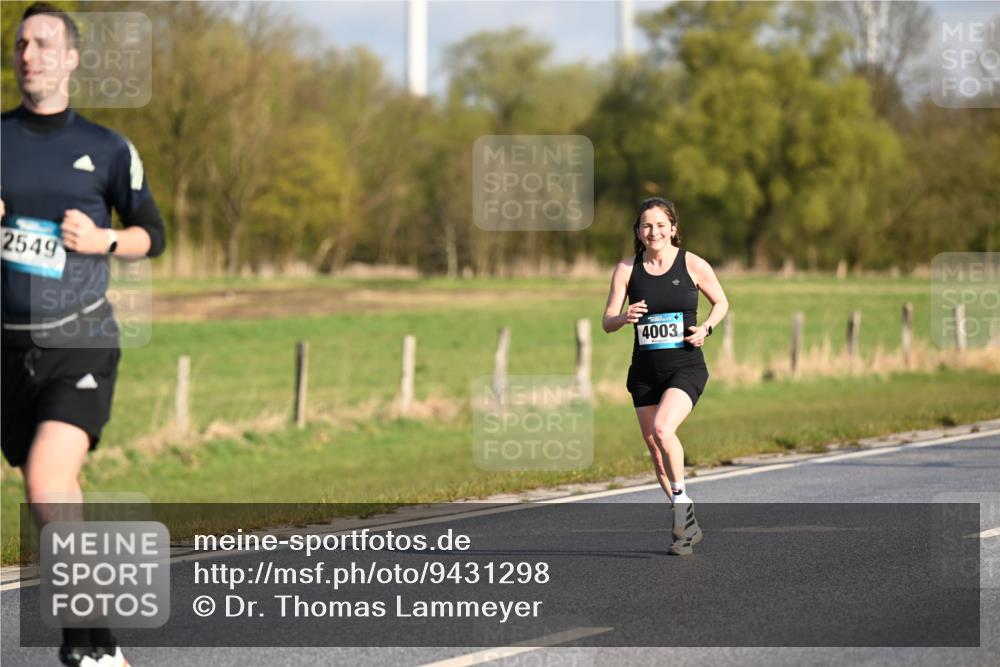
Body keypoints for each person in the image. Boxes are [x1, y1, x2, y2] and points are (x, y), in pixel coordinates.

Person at [1, 3, 165, 665]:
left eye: (43, 44)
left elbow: (154, 234)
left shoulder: (107, 148)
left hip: (80, 340)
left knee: (45, 483)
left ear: (71, 59)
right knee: (59, 495)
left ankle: (80, 644)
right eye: (20, 45)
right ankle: (99, 645)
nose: (29, 54)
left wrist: (104, 239)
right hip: (7, 349)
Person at [602, 198, 728, 555]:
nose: (653, 232)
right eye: (646, 226)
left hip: (685, 366)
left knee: (662, 429)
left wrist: (706, 328)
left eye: (660, 225)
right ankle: (685, 526)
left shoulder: (692, 263)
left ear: (673, 228)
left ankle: (682, 507)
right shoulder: (627, 268)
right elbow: (606, 322)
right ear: (638, 233)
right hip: (643, 372)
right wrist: (624, 317)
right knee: (656, 453)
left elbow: (722, 302)